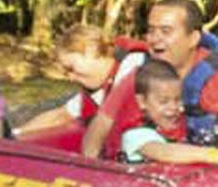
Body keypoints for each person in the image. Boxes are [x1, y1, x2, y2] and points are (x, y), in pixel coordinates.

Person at [78, 0, 218, 159]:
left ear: (193, 38)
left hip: (209, 167)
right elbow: (102, 122)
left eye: (166, 31)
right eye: (151, 31)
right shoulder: (142, 74)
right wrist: (90, 165)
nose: (154, 39)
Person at [118, 60, 218, 168]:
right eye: (164, 102)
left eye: (178, 100)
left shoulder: (181, 127)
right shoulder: (134, 136)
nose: (174, 108)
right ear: (142, 101)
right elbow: (166, 153)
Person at [15, 24, 147, 136]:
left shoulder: (136, 64)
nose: (71, 78)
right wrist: (16, 133)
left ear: (91, 49)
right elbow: (61, 115)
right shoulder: (96, 89)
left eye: (71, 68)